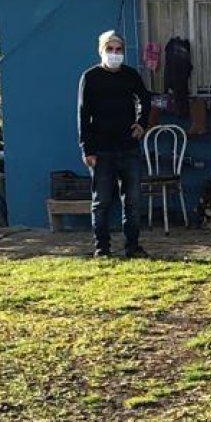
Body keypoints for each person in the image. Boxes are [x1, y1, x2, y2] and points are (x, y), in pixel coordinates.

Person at [77, 30, 152, 258]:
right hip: (101, 149)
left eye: (119, 49)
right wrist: (86, 148)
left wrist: (141, 123)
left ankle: (133, 246)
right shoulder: (90, 77)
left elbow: (145, 99)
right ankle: (102, 248)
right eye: (110, 49)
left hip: (128, 147)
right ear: (101, 51)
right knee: (101, 202)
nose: (114, 53)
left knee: (132, 201)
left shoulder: (131, 75)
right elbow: (82, 114)